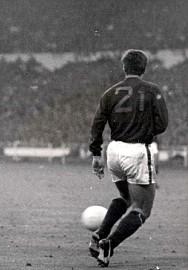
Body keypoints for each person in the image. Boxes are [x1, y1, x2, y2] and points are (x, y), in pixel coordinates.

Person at [88, 50, 168, 267]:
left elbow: (97, 124)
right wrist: (143, 130)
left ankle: (100, 234)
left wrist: (96, 154)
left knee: (126, 199)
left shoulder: (110, 92)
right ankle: (109, 244)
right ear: (144, 68)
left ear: (124, 67)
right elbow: (162, 124)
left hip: (113, 151)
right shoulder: (153, 91)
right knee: (142, 209)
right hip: (137, 150)